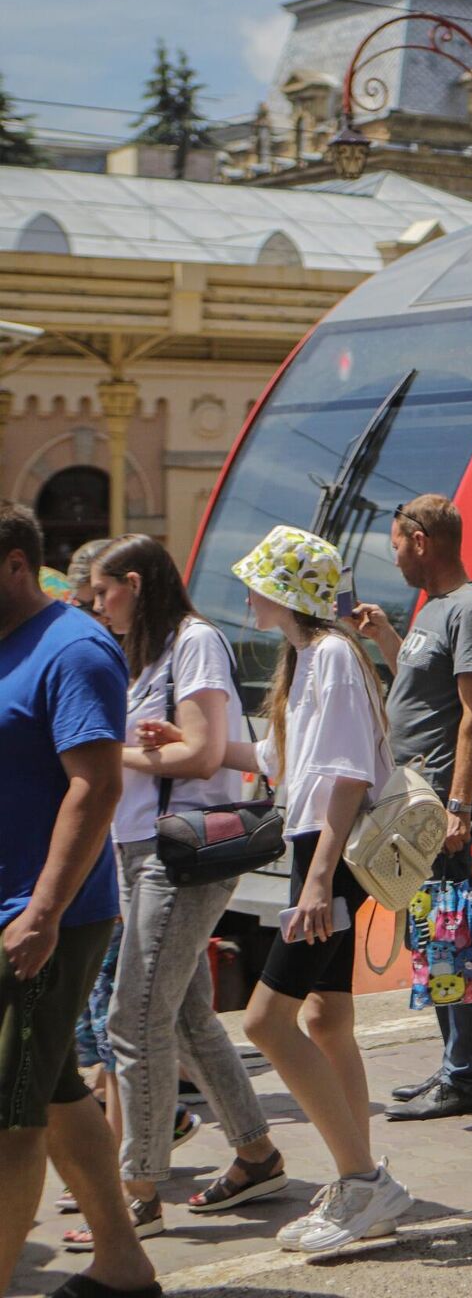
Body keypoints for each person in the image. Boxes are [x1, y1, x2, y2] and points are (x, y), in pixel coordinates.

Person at [191, 524, 412, 1248]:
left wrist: (319, 881)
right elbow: (282, 757)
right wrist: (184, 747)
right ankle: (362, 1176)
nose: (247, 593)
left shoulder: (331, 658)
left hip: (329, 856)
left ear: (286, 591)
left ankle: (364, 1183)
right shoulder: (310, 659)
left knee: (263, 1022)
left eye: (258, 581)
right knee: (326, 1020)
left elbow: (347, 773)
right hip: (320, 853)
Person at [79, 535, 286, 1240]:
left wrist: (114, 750)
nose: (96, 605)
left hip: (181, 851)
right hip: (143, 849)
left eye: (104, 592)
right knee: (189, 1019)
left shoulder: (194, 641)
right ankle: (256, 1154)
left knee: (132, 1023)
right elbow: (177, 746)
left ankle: (135, 1190)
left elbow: (198, 756)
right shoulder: (148, 648)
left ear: (135, 583)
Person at [0, 503, 157, 1294]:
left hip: (39, 921)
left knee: (11, 1117)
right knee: (57, 1089)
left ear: (16, 567)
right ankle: (123, 1264)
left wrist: (42, 913)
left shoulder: (75, 648)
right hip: (17, 913)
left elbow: (95, 788)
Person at [348, 496, 472, 1124]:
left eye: (395, 543)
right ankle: (457, 1063)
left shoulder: (471, 609)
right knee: (431, 936)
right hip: (411, 804)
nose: (393, 555)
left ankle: (467, 1073)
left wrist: (459, 807)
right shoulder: (431, 611)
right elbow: (421, 692)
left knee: (451, 935)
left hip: (437, 807)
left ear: (420, 540)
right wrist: (388, 638)